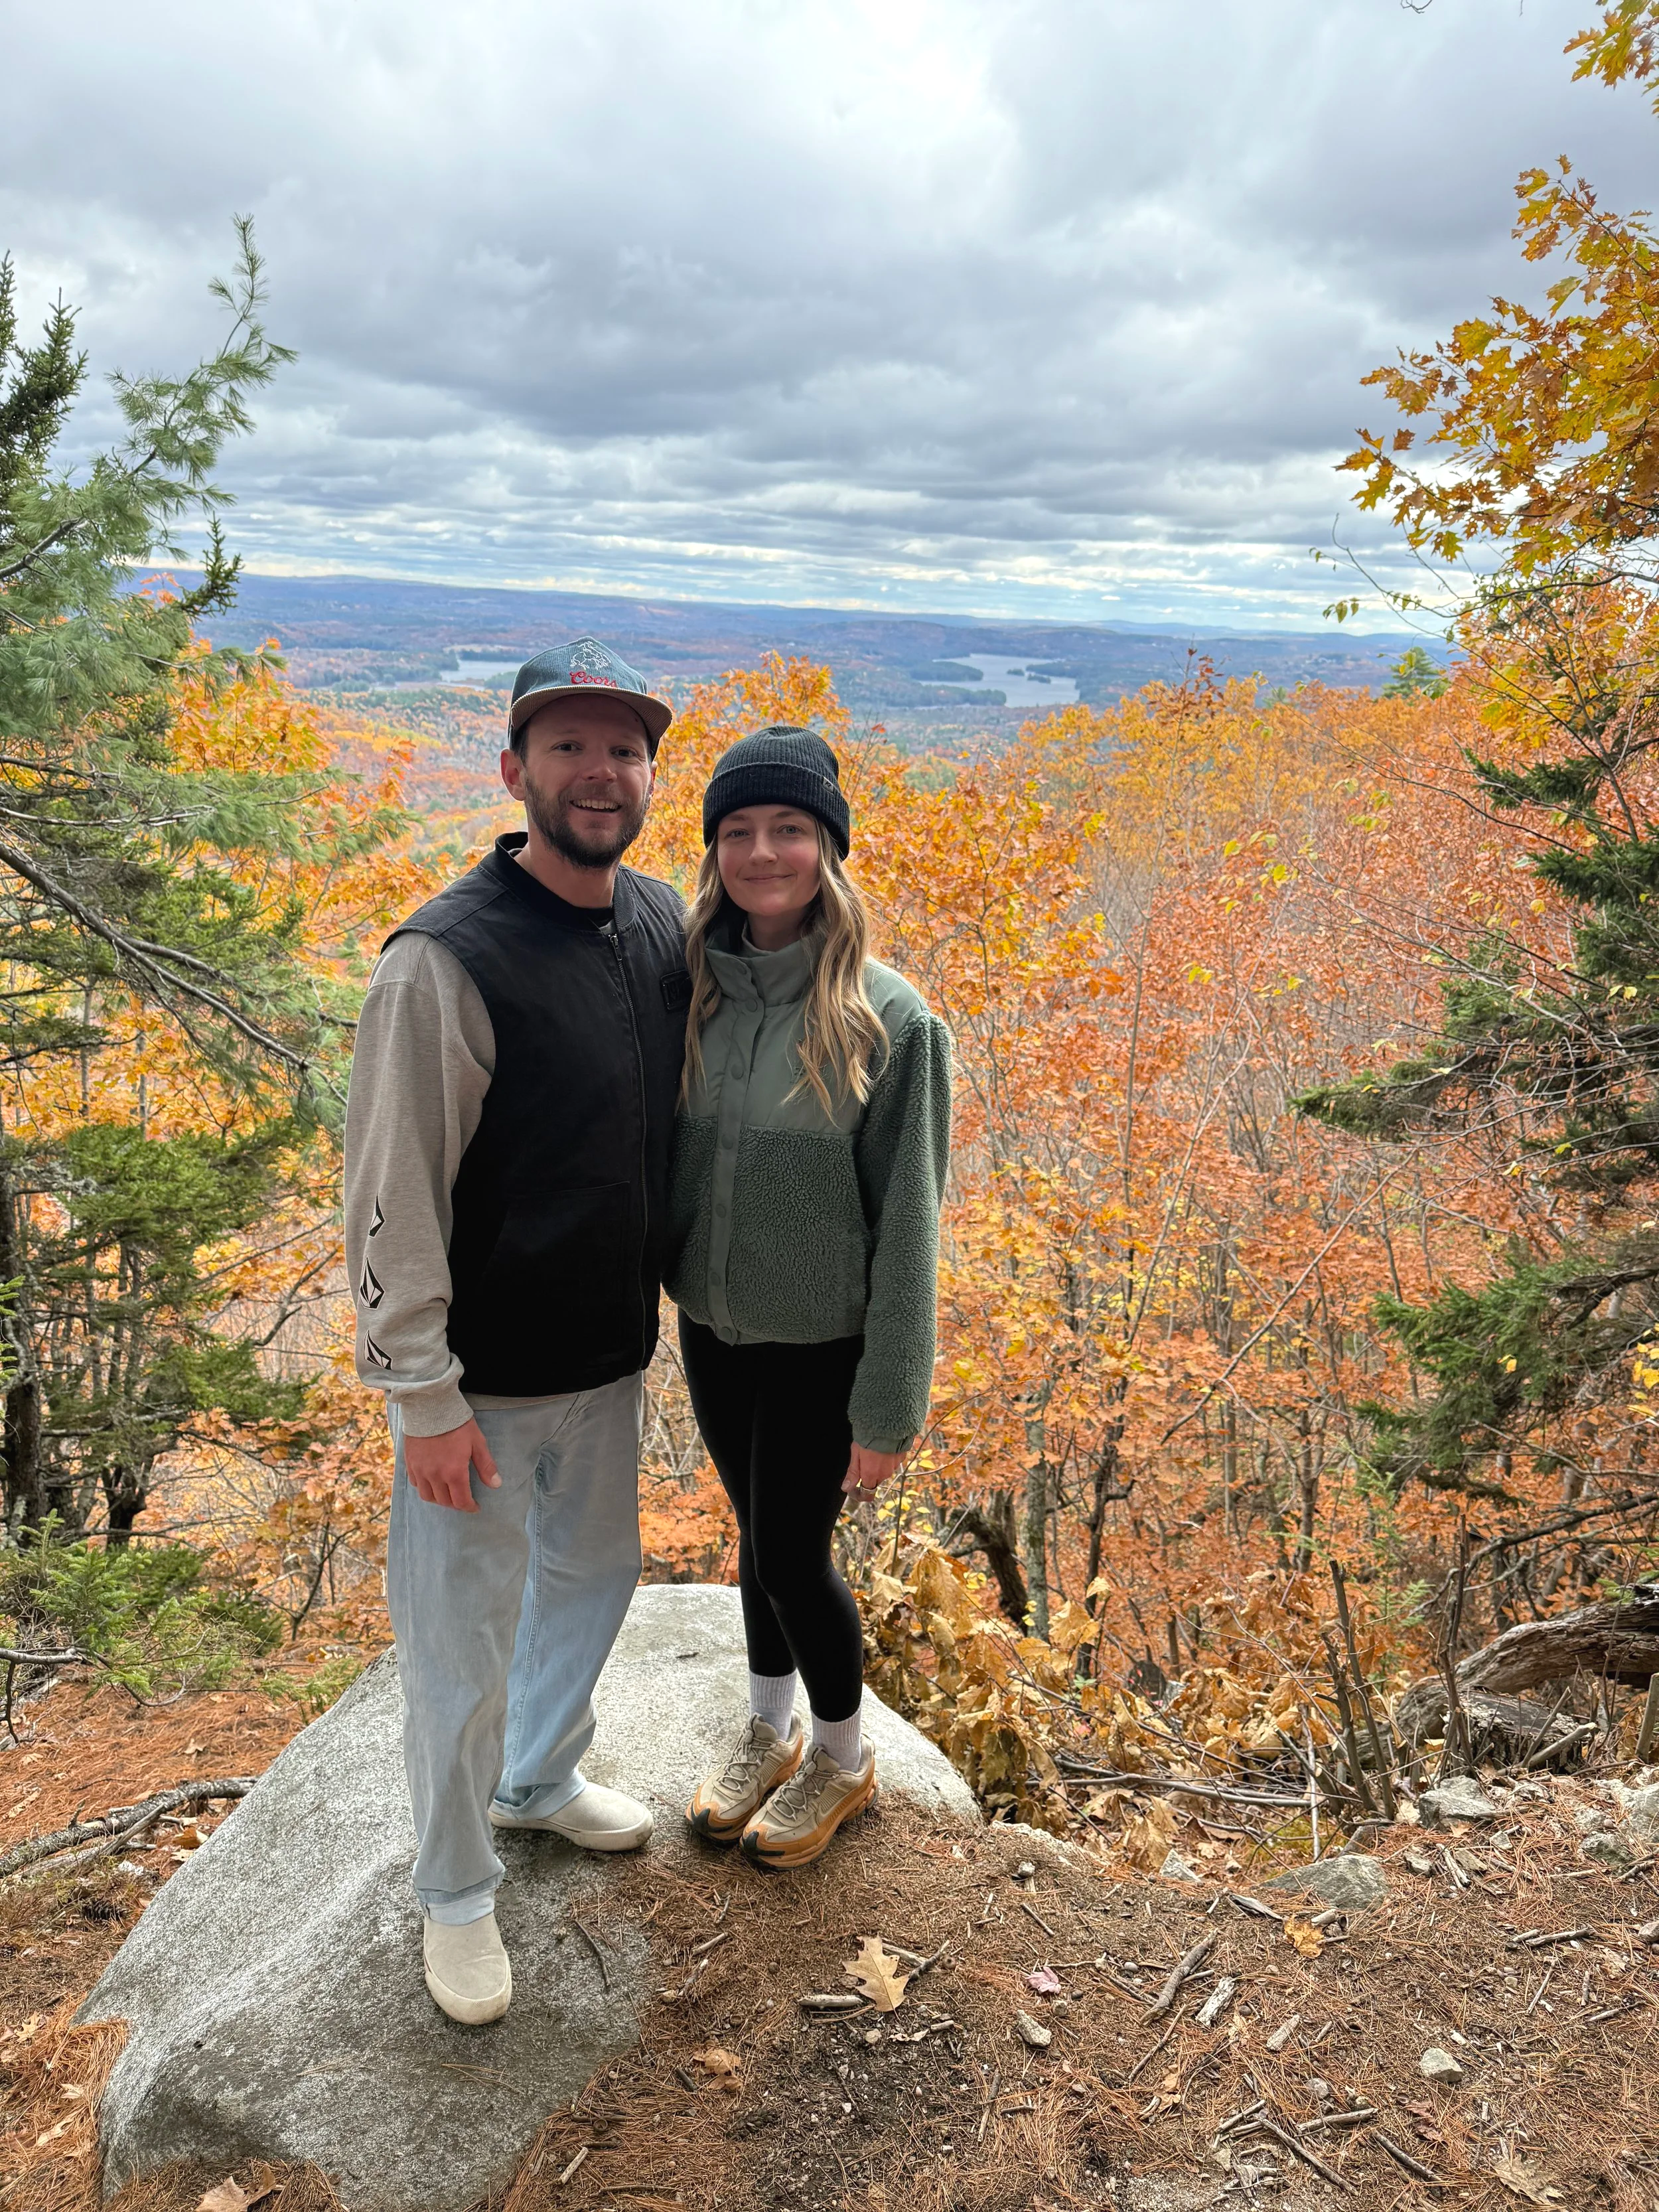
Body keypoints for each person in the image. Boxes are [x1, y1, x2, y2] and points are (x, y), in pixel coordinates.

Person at [342, 637, 689, 2025]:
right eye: (568, 747)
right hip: (475, 1392)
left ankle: (538, 1779)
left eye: (622, 749)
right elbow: (390, 1190)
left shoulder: (659, 920)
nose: (598, 772)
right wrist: (418, 1392)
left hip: (606, 1361)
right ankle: (455, 1890)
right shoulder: (444, 959)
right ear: (513, 771)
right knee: (456, 1643)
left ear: (649, 775)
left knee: (594, 1578)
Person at [666, 726, 952, 1871]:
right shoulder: (690, 990)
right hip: (713, 1325)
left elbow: (913, 1233)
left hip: (825, 1342)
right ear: (714, 850)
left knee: (792, 1555)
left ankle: (842, 1757)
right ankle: (767, 1730)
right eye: (738, 831)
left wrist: (888, 1408)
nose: (762, 851)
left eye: (789, 829)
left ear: (829, 848)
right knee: (757, 1538)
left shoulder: (891, 1020)